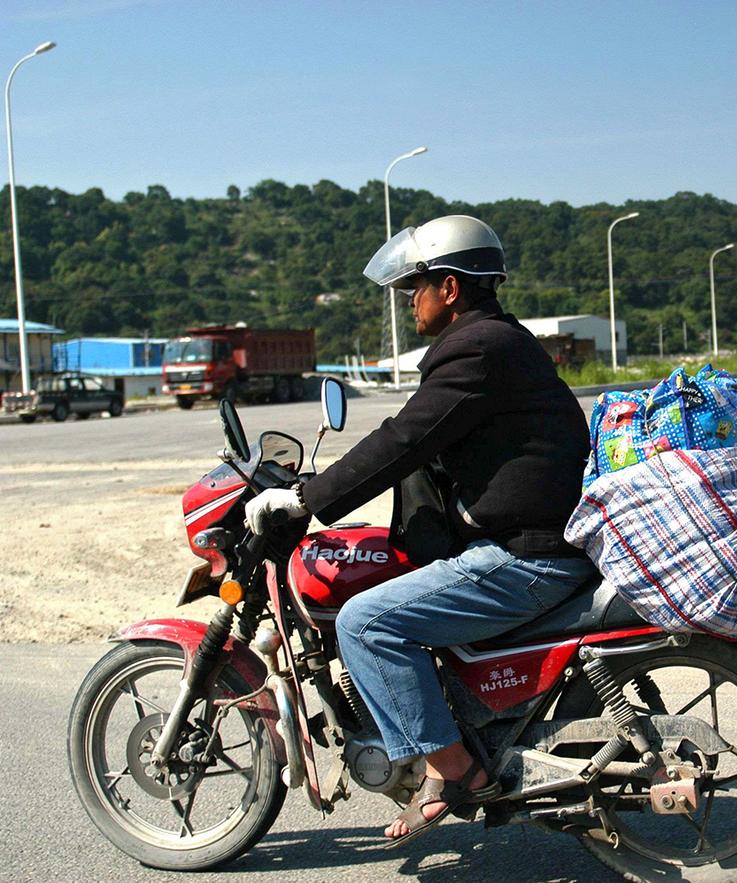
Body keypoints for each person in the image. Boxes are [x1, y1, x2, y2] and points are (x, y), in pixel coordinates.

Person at [244, 215, 594, 846]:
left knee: (365, 622)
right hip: (534, 544)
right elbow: (420, 444)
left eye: (418, 286)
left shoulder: (476, 348)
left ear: (451, 287)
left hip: (526, 559)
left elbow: (404, 438)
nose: (411, 299)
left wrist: (305, 500)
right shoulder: (499, 342)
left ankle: (452, 772)